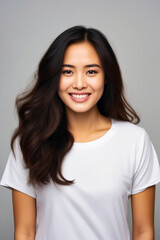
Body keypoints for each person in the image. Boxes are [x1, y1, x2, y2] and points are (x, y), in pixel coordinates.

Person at [1, 25, 160, 240]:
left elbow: (143, 231)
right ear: (54, 77)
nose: (79, 83)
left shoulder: (135, 141)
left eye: (91, 71)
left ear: (106, 77)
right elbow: (24, 232)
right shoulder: (30, 142)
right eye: (67, 71)